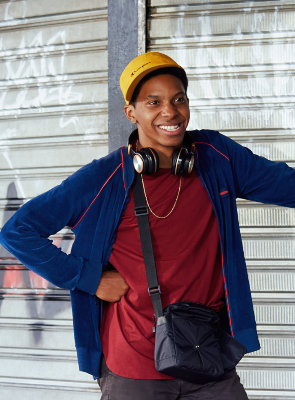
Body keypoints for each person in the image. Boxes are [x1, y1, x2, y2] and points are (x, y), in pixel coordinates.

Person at [0, 52, 294, 399]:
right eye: (153, 102)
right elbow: (17, 231)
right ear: (131, 112)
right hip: (134, 366)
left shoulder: (215, 156)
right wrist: (89, 279)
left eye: (178, 99)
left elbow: (286, 184)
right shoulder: (103, 178)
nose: (170, 112)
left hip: (209, 356)